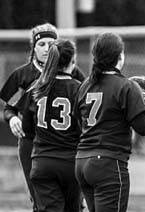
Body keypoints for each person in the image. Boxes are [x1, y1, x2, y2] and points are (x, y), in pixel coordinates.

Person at [74, 32, 145, 212]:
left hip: (82, 161)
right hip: (108, 164)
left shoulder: (85, 84)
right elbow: (143, 127)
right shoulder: (126, 85)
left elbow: (79, 121)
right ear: (120, 56)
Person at [0, 22, 84, 212]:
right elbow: (9, 107)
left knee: (73, 203)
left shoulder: (74, 74)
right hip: (33, 143)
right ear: (33, 48)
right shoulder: (22, 75)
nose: (47, 49)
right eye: (42, 44)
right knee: (40, 200)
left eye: (51, 44)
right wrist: (12, 118)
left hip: (66, 146)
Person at [21, 39, 81, 212]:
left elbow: (27, 130)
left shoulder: (36, 87)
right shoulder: (80, 89)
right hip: (72, 163)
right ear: (72, 60)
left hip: (42, 163)